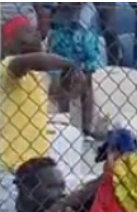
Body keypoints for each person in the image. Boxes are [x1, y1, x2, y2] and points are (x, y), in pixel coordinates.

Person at [0, 16, 81, 212]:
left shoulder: (38, 75)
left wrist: (72, 77)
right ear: (10, 42)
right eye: (28, 31)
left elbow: (68, 92)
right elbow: (30, 61)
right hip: (11, 169)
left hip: (38, 170)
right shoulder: (7, 66)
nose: (36, 33)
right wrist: (69, 64)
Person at [48, 3, 104, 137]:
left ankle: (86, 130)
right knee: (62, 79)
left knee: (87, 82)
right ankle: (63, 126)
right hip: (62, 25)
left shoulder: (88, 15)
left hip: (84, 26)